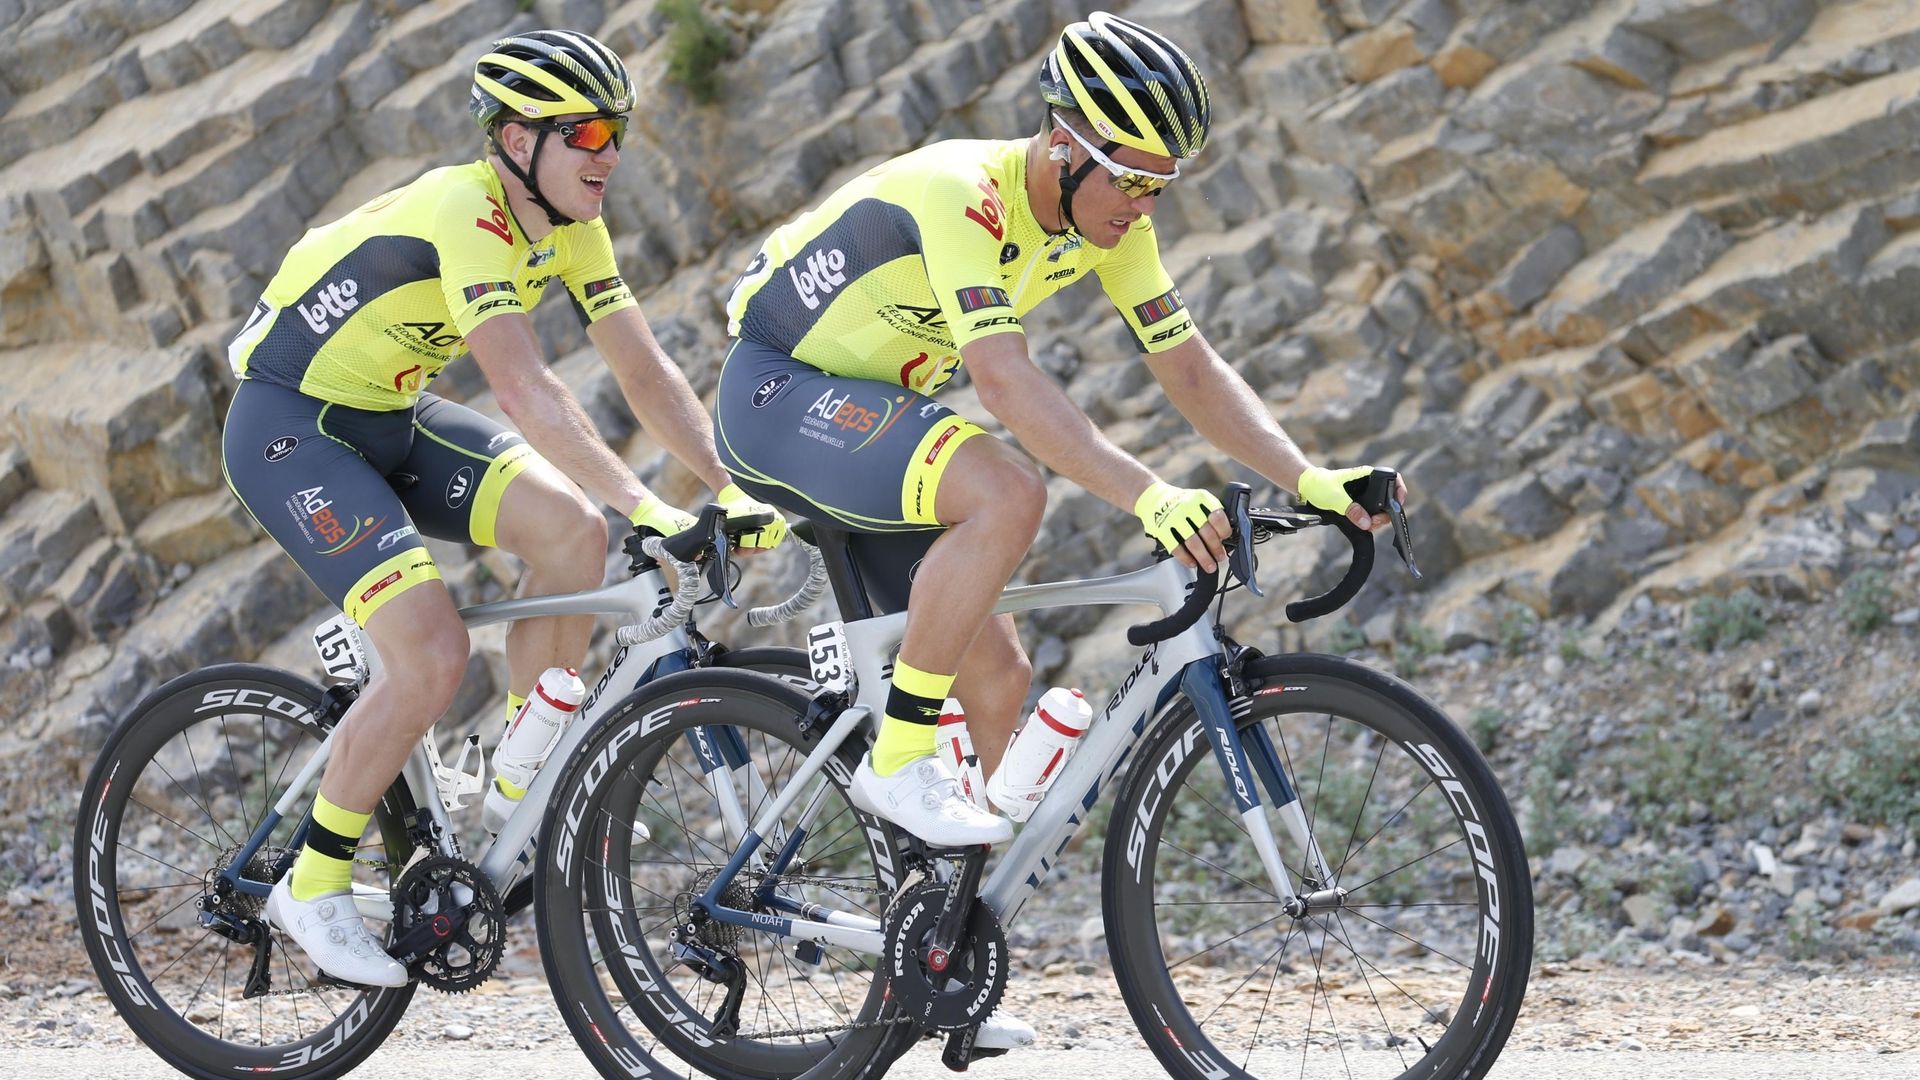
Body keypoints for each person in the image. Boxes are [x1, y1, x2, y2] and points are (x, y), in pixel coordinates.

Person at [713, 7, 1408, 1016]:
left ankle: (940, 964)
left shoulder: (1110, 217)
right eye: (1132, 176)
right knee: (1006, 489)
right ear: (1061, 146)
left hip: (874, 416)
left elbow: (1189, 366)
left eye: (1165, 182)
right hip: (774, 394)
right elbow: (1002, 381)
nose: (1145, 202)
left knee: (998, 679)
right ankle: (901, 757)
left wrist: (1310, 479)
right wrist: (1149, 494)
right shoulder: (965, 198)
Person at [221, 29, 787, 987]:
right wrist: (650, 501)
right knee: (432, 656)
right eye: (589, 133)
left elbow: (642, 370)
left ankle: (522, 783)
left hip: (389, 413)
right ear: (517, 140)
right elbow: (525, 390)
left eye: (620, 133)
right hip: (293, 428)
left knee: (571, 530)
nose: (610, 155)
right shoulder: (467, 211)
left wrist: (731, 484)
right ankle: (311, 885)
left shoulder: (572, 221)